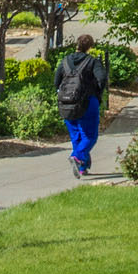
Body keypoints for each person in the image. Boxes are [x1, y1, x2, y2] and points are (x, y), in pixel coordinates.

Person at [54, 34, 108, 178]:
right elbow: (102, 79)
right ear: (90, 47)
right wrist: (97, 92)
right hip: (87, 102)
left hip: (66, 103)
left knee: (76, 136)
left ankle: (82, 167)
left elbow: (56, 81)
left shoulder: (65, 61)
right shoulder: (92, 62)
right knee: (90, 136)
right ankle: (77, 157)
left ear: (76, 45)